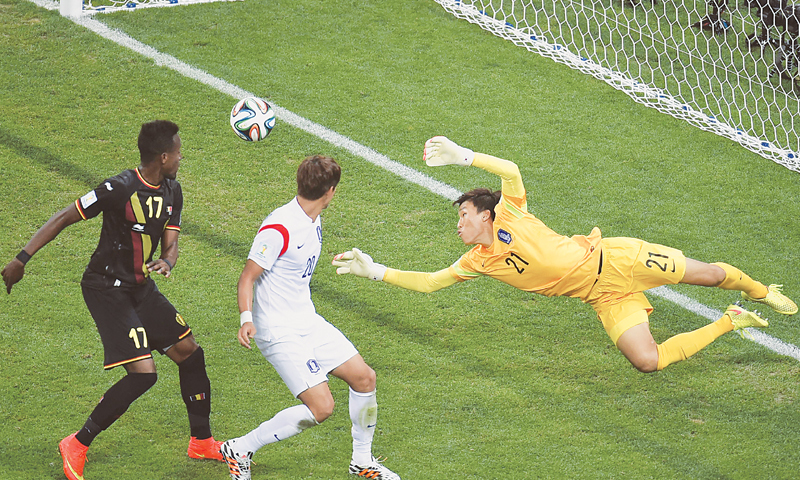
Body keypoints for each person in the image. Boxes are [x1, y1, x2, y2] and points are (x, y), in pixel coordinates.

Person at [332, 136, 797, 373]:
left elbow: (511, 170)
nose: (459, 223)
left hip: (617, 259)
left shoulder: (511, 212)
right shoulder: (478, 261)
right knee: (647, 361)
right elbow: (430, 282)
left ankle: (760, 292)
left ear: (486, 215)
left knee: (713, 275)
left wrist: (465, 156)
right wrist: (376, 272)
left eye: (465, 215)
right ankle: (731, 321)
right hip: (603, 297)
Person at [2, 120, 224, 480]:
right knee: (143, 374)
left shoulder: (172, 190)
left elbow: (171, 242)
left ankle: (201, 441)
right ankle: (77, 442)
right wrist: (21, 258)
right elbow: (65, 216)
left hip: (140, 287)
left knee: (190, 353)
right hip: (105, 288)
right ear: (163, 156)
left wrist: (167, 261)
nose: (182, 157)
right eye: (178, 152)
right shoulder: (118, 188)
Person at [220, 155, 400, 480]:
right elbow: (247, 277)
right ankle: (240, 448)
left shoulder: (312, 216)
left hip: (307, 320)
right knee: (322, 407)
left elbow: (295, 265)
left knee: (364, 378)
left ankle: (362, 461)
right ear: (330, 191)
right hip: (276, 329)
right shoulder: (278, 227)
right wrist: (246, 318)